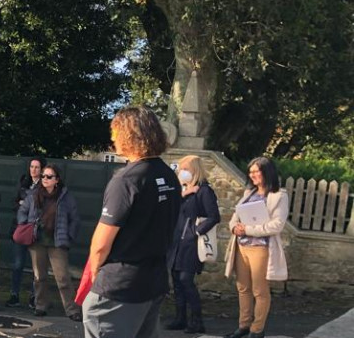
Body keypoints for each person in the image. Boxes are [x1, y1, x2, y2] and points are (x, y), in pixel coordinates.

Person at [82, 106, 180, 338]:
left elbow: (101, 243)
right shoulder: (168, 176)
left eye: (115, 133)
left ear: (128, 135)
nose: (112, 139)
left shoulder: (127, 179)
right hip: (153, 280)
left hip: (120, 286)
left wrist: (96, 275)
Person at [222, 157, 288, 338]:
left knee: (260, 290)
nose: (252, 176)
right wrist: (234, 227)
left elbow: (277, 225)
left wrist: (249, 229)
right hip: (241, 247)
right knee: (243, 288)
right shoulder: (248, 193)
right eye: (250, 172)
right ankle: (243, 326)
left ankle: (257, 330)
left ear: (267, 172)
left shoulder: (279, 196)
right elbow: (236, 216)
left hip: (261, 248)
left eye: (256, 171)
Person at [17, 164, 82, 321]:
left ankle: (72, 309)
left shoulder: (66, 197)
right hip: (37, 241)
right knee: (39, 277)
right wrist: (25, 225)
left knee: (63, 278)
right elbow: (22, 211)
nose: (45, 179)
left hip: (57, 242)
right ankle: (41, 306)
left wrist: (69, 237)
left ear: (57, 180)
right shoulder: (33, 195)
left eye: (49, 176)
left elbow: (75, 219)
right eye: (43, 176)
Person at [165, 155, 220, 333]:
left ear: (195, 170)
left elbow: (214, 216)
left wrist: (196, 232)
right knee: (177, 281)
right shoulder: (184, 190)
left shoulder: (205, 191)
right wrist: (185, 193)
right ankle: (180, 318)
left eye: (186, 169)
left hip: (191, 244)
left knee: (186, 280)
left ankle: (197, 321)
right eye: (181, 169)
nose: (182, 172)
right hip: (177, 243)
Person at [7, 156, 45, 308]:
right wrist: (21, 205)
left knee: (36, 266)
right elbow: (14, 202)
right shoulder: (23, 183)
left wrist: (25, 204)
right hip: (21, 228)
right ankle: (14, 295)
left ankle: (34, 296)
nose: (33, 170)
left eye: (37, 167)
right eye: (31, 167)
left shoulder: (44, 185)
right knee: (17, 264)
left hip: (36, 231)